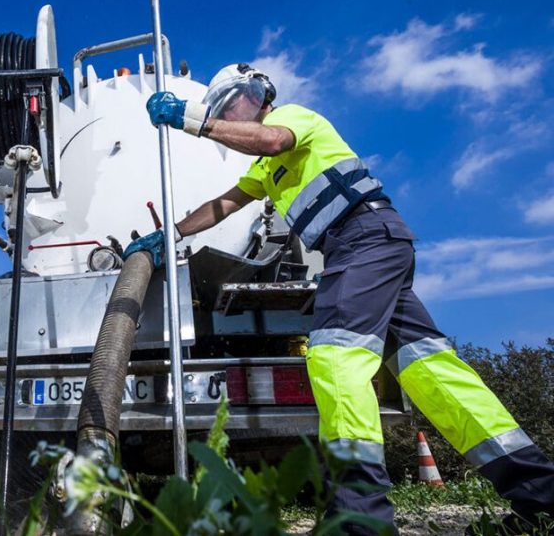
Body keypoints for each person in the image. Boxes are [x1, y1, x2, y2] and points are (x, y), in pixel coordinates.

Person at [126, 63, 554, 534]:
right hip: (369, 245)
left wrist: (194, 120)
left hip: (364, 237)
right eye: (224, 109)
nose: (232, 113)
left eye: (236, 102)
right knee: (432, 373)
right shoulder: (266, 172)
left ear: (259, 95)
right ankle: (540, 495)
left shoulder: (294, 118)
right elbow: (222, 205)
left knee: (333, 357)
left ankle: (361, 519)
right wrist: (168, 235)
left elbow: (271, 140)